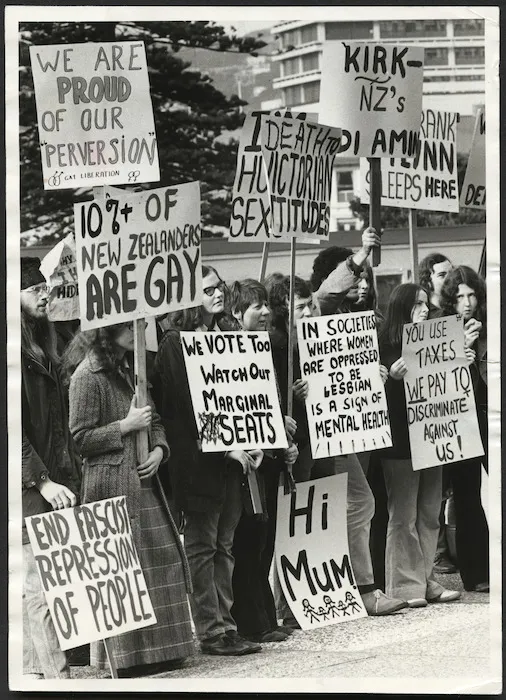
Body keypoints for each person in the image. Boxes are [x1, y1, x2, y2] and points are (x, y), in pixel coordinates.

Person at [269, 273, 406, 618]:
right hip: (300, 446)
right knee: (299, 518)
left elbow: (347, 378)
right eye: (300, 308)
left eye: (310, 305)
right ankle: (293, 601)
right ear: (283, 313)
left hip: (332, 439)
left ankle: (355, 587)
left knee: (358, 501)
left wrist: (371, 378)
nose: (309, 313)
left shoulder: (329, 335)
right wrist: (294, 397)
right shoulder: (277, 347)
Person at [65, 322, 195, 677]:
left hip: (144, 481)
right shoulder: (86, 376)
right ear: (105, 331)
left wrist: (158, 448)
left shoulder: (133, 369)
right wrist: (124, 426)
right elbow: (80, 438)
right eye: (126, 325)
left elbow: (154, 421)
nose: (136, 330)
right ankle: (125, 658)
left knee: (161, 560)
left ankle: (168, 649)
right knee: (121, 570)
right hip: (111, 485)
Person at [154, 266, 262, 656]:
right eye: (207, 289)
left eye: (219, 287)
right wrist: (224, 446)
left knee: (225, 545)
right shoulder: (173, 343)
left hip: (233, 461)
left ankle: (227, 626)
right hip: (198, 463)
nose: (217, 293)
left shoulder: (230, 335)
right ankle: (210, 630)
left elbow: (246, 394)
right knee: (202, 546)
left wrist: (254, 438)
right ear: (187, 297)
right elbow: (186, 408)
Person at [378, 283, 461, 607]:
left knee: (429, 514)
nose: (425, 310)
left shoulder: (434, 339)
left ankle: (426, 579)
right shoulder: (385, 345)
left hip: (432, 438)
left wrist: (462, 355)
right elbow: (370, 400)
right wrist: (390, 381)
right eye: (417, 305)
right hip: (399, 444)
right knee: (403, 516)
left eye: (426, 304)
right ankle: (403, 587)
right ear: (402, 309)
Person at [229, 279, 299, 643]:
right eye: (256, 306)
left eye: (267, 305)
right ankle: (251, 622)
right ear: (237, 312)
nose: (266, 312)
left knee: (265, 541)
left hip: (268, 458)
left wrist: (282, 433)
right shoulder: (227, 352)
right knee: (249, 543)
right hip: (243, 464)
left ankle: (265, 619)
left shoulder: (266, 349)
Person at [21, 257, 81, 679]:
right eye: (33, 289)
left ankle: (35, 673)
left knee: (44, 582)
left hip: (51, 479)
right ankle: (57, 678)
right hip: (28, 485)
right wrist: (41, 481)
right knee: (40, 585)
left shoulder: (47, 344)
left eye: (45, 287)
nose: (45, 294)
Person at [438, 266, 489, 592]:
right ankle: (476, 572)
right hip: (460, 420)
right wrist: (461, 354)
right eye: (459, 297)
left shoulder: (491, 326)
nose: (466, 303)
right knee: (467, 496)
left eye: (471, 295)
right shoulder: (442, 330)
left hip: (489, 414)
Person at [419, 253, 456, 575]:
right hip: (427, 416)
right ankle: (437, 553)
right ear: (428, 278)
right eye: (442, 274)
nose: (448, 278)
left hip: (449, 413)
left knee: (448, 489)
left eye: (450, 273)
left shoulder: (453, 313)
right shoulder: (424, 317)